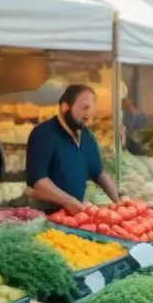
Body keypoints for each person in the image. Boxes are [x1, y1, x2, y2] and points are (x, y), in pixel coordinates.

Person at [25, 84, 119, 214]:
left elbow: (99, 172)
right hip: (44, 216)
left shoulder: (87, 136)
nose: (88, 115)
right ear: (65, 107)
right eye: (84, 108)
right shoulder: (43, 134)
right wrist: (67, 201)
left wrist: (119, 202)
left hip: (74, 216)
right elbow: (38, 181)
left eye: (91, 109)